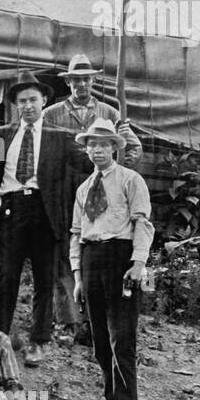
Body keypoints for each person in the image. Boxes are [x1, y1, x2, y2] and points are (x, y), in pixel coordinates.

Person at [0, 71, 88, 367]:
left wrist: (115, 139)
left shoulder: (60, 136)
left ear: (43, 100)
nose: (28, 105)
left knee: (44, 280)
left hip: (46, 214)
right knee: (7, 277)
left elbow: (85, 161)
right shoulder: (2, 135)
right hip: (12, 211)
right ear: (16, 104)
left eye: (33, 99)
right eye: (22, 101)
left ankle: (38, 341)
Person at [42, 54, 143, 341]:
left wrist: (120, 171)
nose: (82, 84)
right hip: (66, 189)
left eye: (87, 79)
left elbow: (133, 147)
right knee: (67, 248)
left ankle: (94, 321)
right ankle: (68, 321)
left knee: (98, 249)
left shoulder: (110, 113)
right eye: (76, 79)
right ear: (69, 82)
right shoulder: (52, 114)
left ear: (93, 81)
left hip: (103, 189)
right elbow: (46, 154)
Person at [70, 119, 154, 400]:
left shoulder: (131, 180)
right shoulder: (83, 189)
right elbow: (76, 234)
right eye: (92, 144)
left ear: (115, 148)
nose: (97, 150)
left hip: (121, 259)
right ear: (86, 148)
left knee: (122, 336)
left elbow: (142, 223)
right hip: (91, 259)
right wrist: (78, 276)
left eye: (104, 144)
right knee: (100, 340)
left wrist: (138, 263)